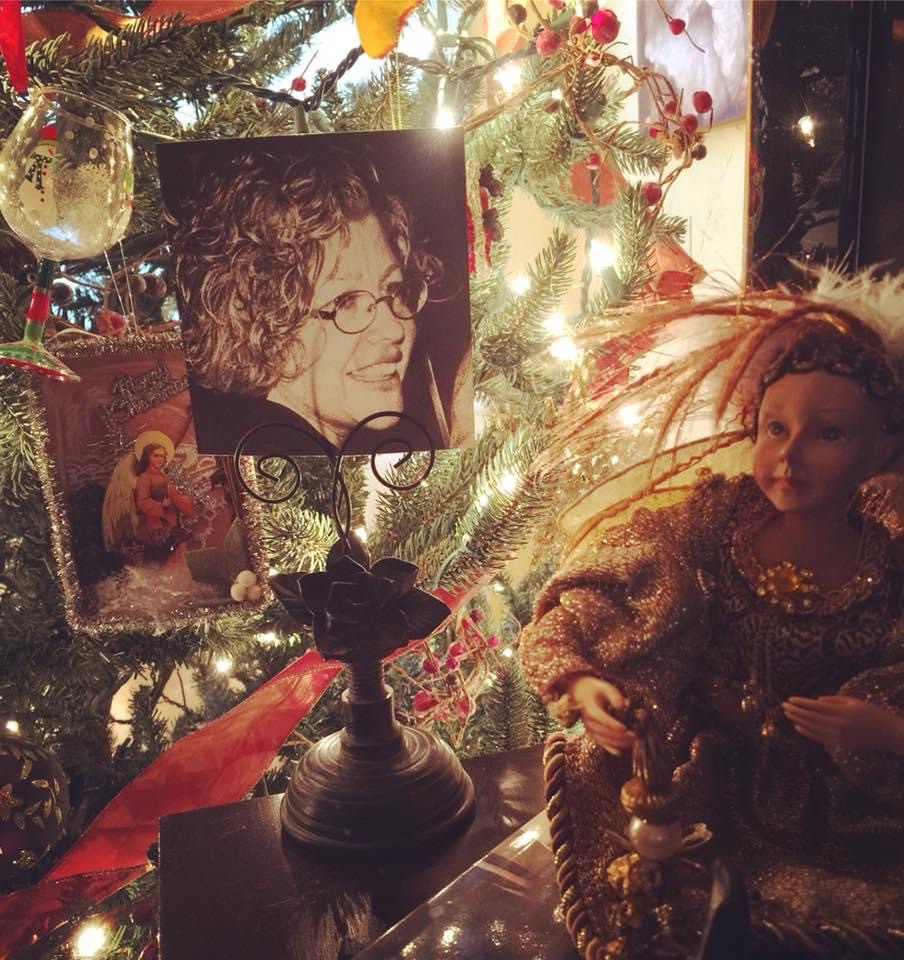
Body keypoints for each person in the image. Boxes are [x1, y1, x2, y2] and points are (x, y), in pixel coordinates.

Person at [519, 269, 904, 950]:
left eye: (829, 434)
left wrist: (887, 731)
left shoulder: (890, 561)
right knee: (647, 888)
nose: (789, 455)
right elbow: (615, 577)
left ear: (880, 448)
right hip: (707, 772)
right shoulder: (717, 520)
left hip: (834, 803)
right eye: (775, 427)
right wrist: (580, 679)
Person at [167, 143, 469, 457]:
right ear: (258, 326)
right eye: (345, 300)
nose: (394, 329)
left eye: (394, 290)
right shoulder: (266, 467)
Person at [134, 441, 193, 560]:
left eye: (162, 456)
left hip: (172, 519)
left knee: (178, 550)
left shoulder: (164, 476)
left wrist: (185, 500)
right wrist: (161, 505)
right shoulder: (145, 477)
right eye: (155, 455)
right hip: (157, 522)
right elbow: (142, 502)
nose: (160, 459)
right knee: (166, 552)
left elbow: (174, 494)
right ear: (147, 457)